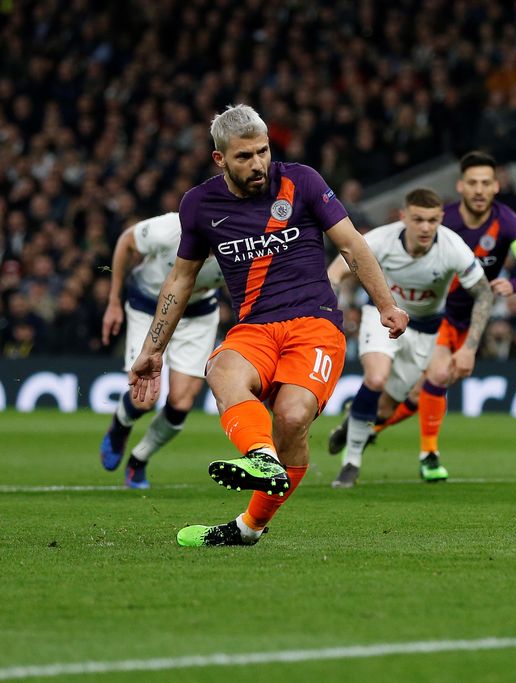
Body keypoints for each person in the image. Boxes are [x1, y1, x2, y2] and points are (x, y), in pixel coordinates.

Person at [129, 104, 408, 547]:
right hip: (254, 327)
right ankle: (261, 458)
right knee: (221, 369)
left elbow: (352, 244)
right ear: (220, 159)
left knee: (292, 418)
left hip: (315, 324)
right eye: (244, 156)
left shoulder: (303, 181)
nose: (258, 163)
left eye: (262, 151)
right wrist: (154, 348)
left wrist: (386, 305)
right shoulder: (199, 205)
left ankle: (249, 528)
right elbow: (180, 280)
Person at [327, 151, 516, 477]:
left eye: (486, 183)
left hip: (449, 320)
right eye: (473, 182)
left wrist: (512, 285)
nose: (479, 190)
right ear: (460, 186)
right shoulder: (432, 223)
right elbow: (339, 268)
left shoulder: (505, 224)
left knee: (399, 401)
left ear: (496, 186)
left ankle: (363, 426)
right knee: (409, 377)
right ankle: (415, 456)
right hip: (409, 315)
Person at [326, 188, 493, 487]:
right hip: (384, 315)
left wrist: (470, 347)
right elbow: (339, 269)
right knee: (376, 379)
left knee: (386, 409)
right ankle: (351, 462)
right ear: (404, 218)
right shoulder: (382, 239)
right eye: (418, 220)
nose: (426, 227)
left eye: (432, 220)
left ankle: (351, 424)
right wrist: (332, 295)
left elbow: (483, 293)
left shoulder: (454, 248)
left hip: (425, 330)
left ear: (441, 218)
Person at [100, 212, 224, 489]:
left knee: (181, 402)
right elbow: (125, 242)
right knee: (143, 400)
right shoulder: (170, 228)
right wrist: (113, 301)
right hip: (149, 307)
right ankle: (120, 427)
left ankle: (139, 460)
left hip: (198, 316)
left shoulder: (240, 248)